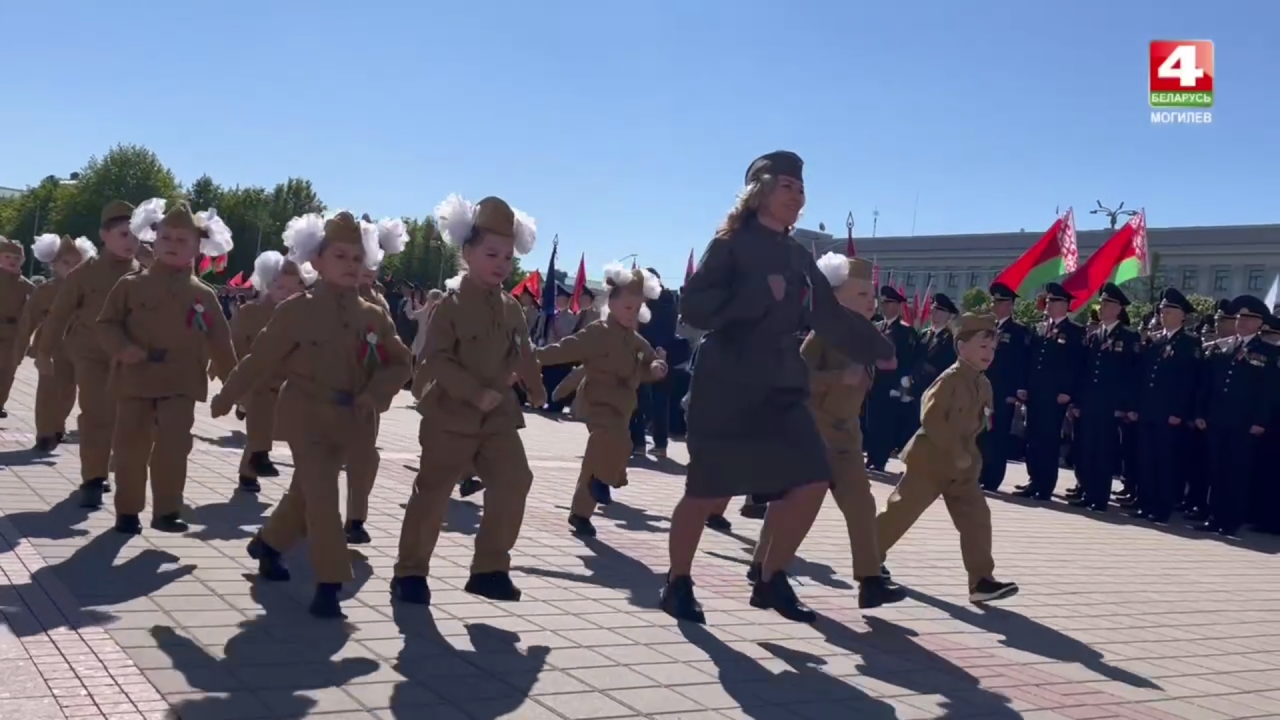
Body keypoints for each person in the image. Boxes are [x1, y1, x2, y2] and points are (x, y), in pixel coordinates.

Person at [661, 151, 894, 624]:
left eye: (801, 187)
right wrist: (752, 298)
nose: (797, 194)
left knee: (810, 479)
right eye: (786, 185)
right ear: (760, 190)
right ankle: (677, 582)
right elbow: (694, 310)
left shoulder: (794, 254)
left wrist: (875, 346)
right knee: (707, 490)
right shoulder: (729, 245)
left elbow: (828, 314)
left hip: (781, 380)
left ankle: (770, 579)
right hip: (728, 377)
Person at [212, 210, 412, 618]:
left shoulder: (373, 315)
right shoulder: (296, 311)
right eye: (340, 256)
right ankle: (329, 582)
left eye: (358, 258)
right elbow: (259, 358)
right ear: (316, 261)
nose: (351, 265)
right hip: (305, 413)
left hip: (349, 420)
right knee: (322, 496)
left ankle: (268, 544)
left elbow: (400, 363)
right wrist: (227, 394)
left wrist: (375, 393)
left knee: (305, 494)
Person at [391, 193, 545, 607]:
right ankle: (410, 573)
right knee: (434, 491)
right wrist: (473, 392)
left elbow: (523, 351)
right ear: (467, 253)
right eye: (492, 253)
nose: (501, 263)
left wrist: (535, 386)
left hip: (497, 417)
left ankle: (490, 568)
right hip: (451, 414)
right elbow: (435, 359)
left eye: (508, 256)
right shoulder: (450, 305)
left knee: (515, 480)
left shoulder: (512, 307)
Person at [755, 252, 904, 608]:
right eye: (862, 295)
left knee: (861, 506)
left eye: (872, 297)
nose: (872, 302)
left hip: (848, 439)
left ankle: (870, 580)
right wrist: (839, 377)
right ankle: (764, 568)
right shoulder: (822, 335)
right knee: (791, 506)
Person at [96, 199, 239, 534]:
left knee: (174, 447)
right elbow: (106, 324)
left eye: (183, 240)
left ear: (197, 247)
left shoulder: (203, 294)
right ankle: (128, 511)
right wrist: (123, 348)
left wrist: (234, 389)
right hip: (136, 380)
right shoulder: (131, 285)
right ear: (153, 241)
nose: (174, 245)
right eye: (167, 238)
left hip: (181, 381)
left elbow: (221, 341)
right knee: (131, 447)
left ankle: (167, 511)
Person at [876, 312, 1019, 602]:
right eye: (982, 347)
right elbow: (931, 419)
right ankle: (869, 560)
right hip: (930, 460)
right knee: (901, 512)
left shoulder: (984, 385)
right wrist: (956, 452)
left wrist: (972, 458)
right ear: (960, 347)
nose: (989, 354)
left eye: (992, 349)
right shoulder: (949, 380)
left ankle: (981, 582)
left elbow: (981, 427)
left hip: (963, 467)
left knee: (977, 519)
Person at [535, 263, 667, 537]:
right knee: (614, 441)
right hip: (597, 402)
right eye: (627, 307)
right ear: (613, 304)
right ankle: (606, 479)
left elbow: (650, 363)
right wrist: (534, 356)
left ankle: (581, 512)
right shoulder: (597, 332)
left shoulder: (635, 341)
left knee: (602, 455)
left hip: (622, 405)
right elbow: (566, 349)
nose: (632, 314)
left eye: (636, 308)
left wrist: (657, 368)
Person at [38, 200, 141, 506]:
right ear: (104, 235)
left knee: (123, 418)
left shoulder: (145, 276)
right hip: (91, 354)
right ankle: (94, 478)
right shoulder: (84, 274)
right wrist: (44, 351)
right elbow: (58, 315)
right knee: (96, 414)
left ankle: (108, 464)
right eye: (124, 234)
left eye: (136, 235)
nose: (131, 242)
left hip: (129, 360)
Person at [345, 214, 408, 544]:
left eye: (373, 261)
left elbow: (393, 354)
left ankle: (355, 518)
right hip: (325, 395)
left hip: (365, 396)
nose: (367, 269)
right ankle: (294, 523)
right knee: (317, 465)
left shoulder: (379, 303)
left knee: (365, 459)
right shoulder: (326, 297)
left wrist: (379, 390)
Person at [229, 251, 316, 492]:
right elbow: (235, 344)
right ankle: (249, 472)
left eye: (292, 290)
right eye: (279, 288)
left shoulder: (304, 317)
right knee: (260, 428)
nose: (285, 294)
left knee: (280, 428)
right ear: (267, 284)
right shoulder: (250, 312)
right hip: (256, 380)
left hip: (287, 383)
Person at [1192, 294, 1275, 537]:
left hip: (1244, 423)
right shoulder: (1225, 346)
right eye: (1239, 317)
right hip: (1218, 419)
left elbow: (1268, 392)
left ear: (1260, 323)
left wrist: (1260, 421)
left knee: (1236, 472)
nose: (1242, 322)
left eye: (1249, 318)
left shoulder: (1267, 352)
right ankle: (1214, 516)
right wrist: (1200, 412)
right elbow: (1208, 385)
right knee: (1216, 470)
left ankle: (1231, 520)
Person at [13, 235, 96, 451]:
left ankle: (58, 427)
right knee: (48, 390)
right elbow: (28, 320)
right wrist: (20, 350)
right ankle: (44, 433)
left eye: (77, 263)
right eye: (66, 262)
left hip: (78, 347)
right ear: (53, 264)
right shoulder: (46, 290)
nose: (72, 267)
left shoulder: (89, 289)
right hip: (50, 346)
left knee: (69, 391)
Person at [1068, 283, 1141, 512]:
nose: (1102, 308)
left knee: (1104, 452)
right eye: (1102, 303)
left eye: (1108, 304)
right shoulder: (1094, 336)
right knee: (1088, 450)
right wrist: (1077, 402)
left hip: (1111, 407)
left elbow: (1132, 375)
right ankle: (1088, 492)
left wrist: (1125, 406)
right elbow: (1084, 372)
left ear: (1118, 308)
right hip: (1090, 404)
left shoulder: (1129, 336)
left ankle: (1099, 498)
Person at [1132, 288, 1201, 524]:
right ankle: (1146, 504)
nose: (1164, 315)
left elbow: (1189, 382)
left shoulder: (1189, 343)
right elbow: (1142, 377)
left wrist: (1178, 412)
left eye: (1169, 311)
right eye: (1162, 311)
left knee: (1165, 462)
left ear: (1182, 315)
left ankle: (1162, 508)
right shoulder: (1155, 340)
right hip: (1149, 410)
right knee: (1146, 460)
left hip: (1169, 414)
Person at [1016, 282, 1085, 501]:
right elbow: (1030, 361)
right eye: (1048, 300)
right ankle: (1033, 480)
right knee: (1033, 439)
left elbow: (1076, 365)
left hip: (1055, 396)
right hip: (1035, 393)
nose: (1049, 304)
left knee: (1048, 440)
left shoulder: (1074, 332)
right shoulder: (1039, 328)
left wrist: (1068, 391)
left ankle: (1045, 486)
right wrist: (1024, 386)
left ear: (1065, 305)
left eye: (1054, 301)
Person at [978, 282, 1029, 491]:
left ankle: (993, 479)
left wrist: (1015, 392)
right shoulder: (989, 329)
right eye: (994, 301)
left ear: (1009, 305)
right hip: (984, 391)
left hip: (1003, 393)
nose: (994, 305)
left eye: (998, 302)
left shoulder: (1018, 332)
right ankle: (979, 474)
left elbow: (1021, 364)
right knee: (981, 435)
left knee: (997, 437)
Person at [864, 285, 918, 472]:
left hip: (891, 385)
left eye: (890, 303)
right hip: (874, 382)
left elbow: (908, 359)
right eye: (884, 302)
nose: (886, 306)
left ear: (898, 306)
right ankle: (871, 456)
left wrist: (901, 384)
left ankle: (880, 459)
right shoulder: (877, 327)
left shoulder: (905, 331)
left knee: (885, 423)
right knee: (872, 422)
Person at [633, 269, 679, 457]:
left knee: (644, 398)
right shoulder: (666, 300)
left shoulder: (660, 300)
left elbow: (656, 327)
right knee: (656, 400)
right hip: (657, 351)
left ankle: (642, 443)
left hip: (653, 352)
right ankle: (656, 444)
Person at [902, 292, 959, 439]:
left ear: (949, 315)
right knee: (914, 429)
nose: (935, 313)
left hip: (935, 391)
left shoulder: (950, 339)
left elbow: (948, 365)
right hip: (917, 390)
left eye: (940, 310)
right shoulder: (924, 334)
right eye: (933, 309)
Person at [0, 236, 35, 419]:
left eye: (16, 258)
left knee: (7, 370)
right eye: (7, 257)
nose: (12, 262)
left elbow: (36, 306)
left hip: (13, 332)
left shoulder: (26, 285)